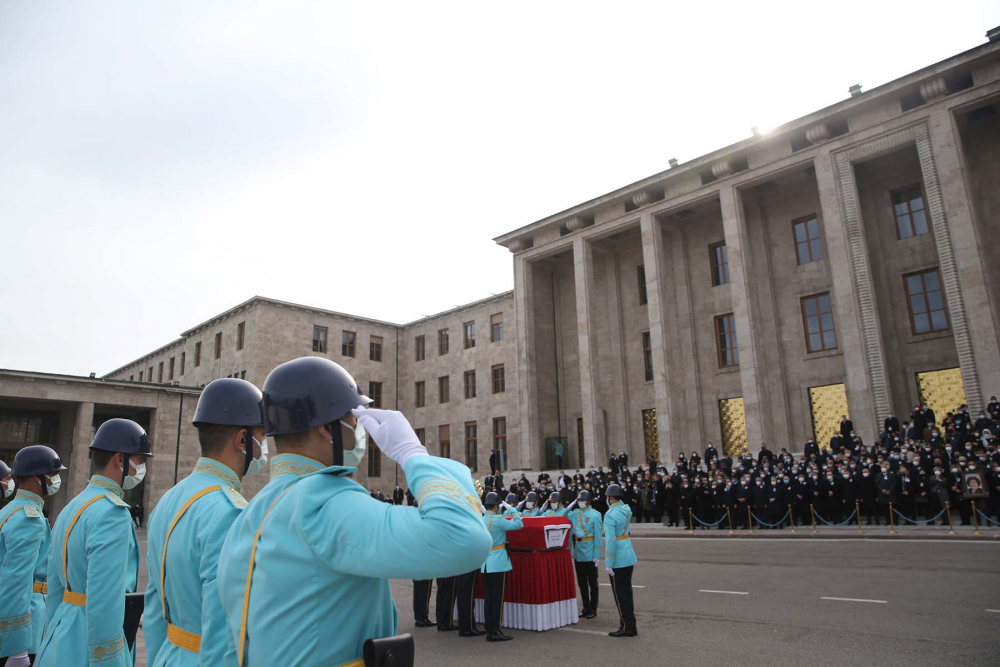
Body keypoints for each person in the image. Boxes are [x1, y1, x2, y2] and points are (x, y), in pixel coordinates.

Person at [216, 356, 491, 666]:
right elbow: (463, 538)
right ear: (328, 430)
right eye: (353, 420)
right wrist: (414, 455)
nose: (360, 431)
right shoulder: (325, 501)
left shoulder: (255, 509)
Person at [143, 378, 266, 667]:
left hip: (168, 656)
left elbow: (155, 608)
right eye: (262, 437)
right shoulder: (229, 511)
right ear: (243, 440)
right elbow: (225, 630)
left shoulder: (171, 499)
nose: (264, 449)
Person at [37, 418, 151, 667]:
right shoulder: (112, 512)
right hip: (90, 642)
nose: (141, 470)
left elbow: (56, 585)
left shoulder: (73, 507)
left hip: (61, 632)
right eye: (140, 461)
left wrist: (51, 635)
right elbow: (105, 600)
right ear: (120, 459)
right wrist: (108, 661)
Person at [0, 446, 66, 666]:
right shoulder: (29, 518)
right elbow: (16, 582)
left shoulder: (10, 510)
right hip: (24, 627)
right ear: (38, 478)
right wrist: (17, 648)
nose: (57, 480)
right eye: (53, 475)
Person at [481, 492, 523, 642]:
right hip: (498, 563)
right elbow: (519, 524)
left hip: (485, 563)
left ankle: (489, 630)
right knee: (497, 599)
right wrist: (512, 509)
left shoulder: (481, 518)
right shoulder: (499, 520)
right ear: (496, 505)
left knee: (489, 598)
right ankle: (496, 631)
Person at [603, 484, 637, 637]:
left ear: (610, 497)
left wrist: (609, 563)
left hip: (618, 558)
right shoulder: (626, 509)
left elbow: (610, 541)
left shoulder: (610, 515)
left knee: (620, 595)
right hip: (628, 553)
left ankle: (626, 627)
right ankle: (630, 625)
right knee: (627, 592)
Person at [568, 490, 602, 619]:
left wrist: (597, 555)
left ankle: (593, 608)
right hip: (578, 551)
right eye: (579, 500)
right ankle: (585, 607)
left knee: (592, 582)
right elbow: (564, 513)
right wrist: (571, 504)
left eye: (583, 500)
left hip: (590, 551)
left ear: (588, 501)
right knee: (581, 582)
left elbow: (598, 536)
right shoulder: (575, 513)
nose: (581, 503)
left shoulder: (595, 515)